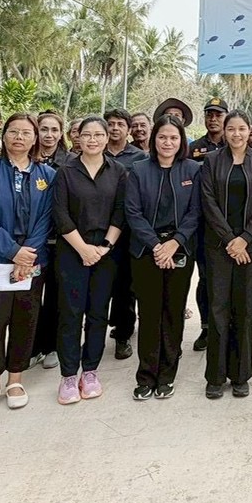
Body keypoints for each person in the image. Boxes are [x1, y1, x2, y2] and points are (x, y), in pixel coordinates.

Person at [0, 114, 55, 417]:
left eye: (26, 133)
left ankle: (16, 380)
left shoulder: (47, 175)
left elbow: (46, 218)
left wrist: (26, 255)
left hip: (32, 261)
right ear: (4, 136)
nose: (19, 137)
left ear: (35, 139)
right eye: (13, 131)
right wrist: (12, 251)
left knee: (24, 320)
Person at [126, 115, 203, 399]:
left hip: (180, 250)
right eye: (162, 137)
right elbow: (132, 212)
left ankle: (167, 375)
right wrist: (157, 246)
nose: (167, 142)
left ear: (181, 141)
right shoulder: (138, 170)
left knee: (173, 313)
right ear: (153, 139)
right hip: (146, 251)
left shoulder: (193, 169)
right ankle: (146, 376)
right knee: (149, 314)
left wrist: (175, 243)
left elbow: (195, 212)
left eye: (173, 137)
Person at [51, 116, 127, 405]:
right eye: (87, 134)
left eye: (98, 134)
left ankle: (91, 370)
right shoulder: (65, 171)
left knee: (98, 313)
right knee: (70, 313)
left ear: (107, 138)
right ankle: (69, 375)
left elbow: (120, 211)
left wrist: (105, 247)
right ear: (77, 138)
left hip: (106, 252)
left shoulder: (118, 171)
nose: (92, 140)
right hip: (72, 249)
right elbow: (60, 213)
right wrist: (83, 249)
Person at [200, 110, 252, 398]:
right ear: (225, 131)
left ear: (249, 131)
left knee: (244, 309)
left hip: (250, 247)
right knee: (218, 308)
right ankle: (215, 376)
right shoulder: (211, 161)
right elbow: (208, 202)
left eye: (242, 129)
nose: (236, 134)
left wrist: (244, 239)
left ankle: (241, 375)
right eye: (231, 129)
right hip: (219, 247)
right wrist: (230, 240)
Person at [102, 107, 145, 362]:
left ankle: (123, 334)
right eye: (111, 123)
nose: (115, 128)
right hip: (98, 230)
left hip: (129, 231)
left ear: (129, 130)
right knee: (100, 284)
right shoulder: (95, 151)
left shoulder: (140, 158)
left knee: (125, 286)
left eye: (120, 124)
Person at [189, 97, 229, 353]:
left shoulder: (234, 144)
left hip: (231, 226)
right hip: (203, 226)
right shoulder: (193, 148)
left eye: (218, 114)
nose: (213, 119)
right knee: (205, 279)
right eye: (209, 114)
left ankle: (227, 327)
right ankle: (206, 327)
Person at [29, 111, 66, 372]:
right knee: (29, 296)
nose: (49, 135)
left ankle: (52, 345)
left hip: (60, 240)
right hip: (30, 241)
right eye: (44, 129)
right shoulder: (25, 160)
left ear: (61, 134)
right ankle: (31, 347)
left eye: (54, 130)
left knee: (55, 296)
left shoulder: (70, 162)